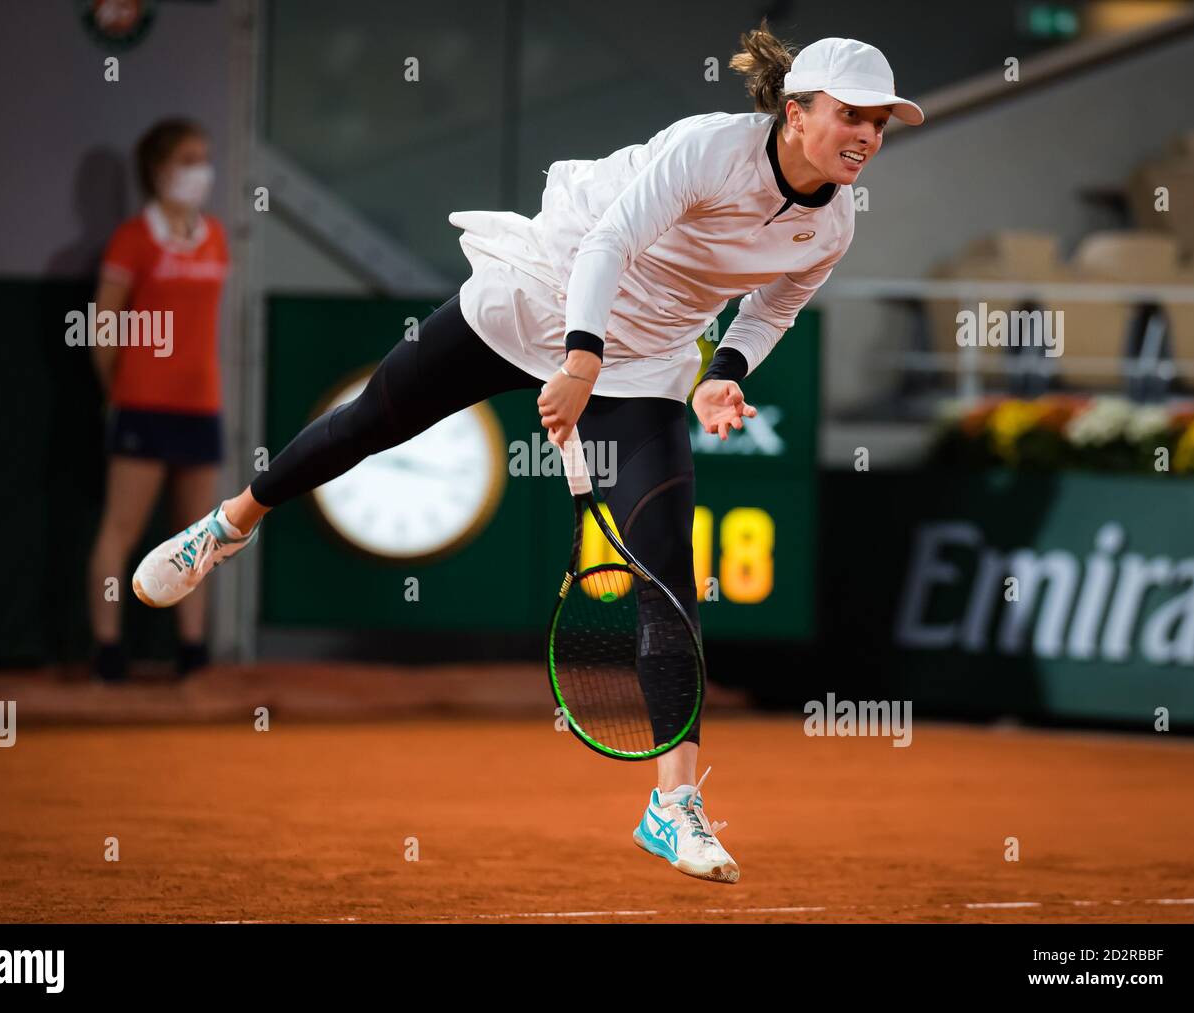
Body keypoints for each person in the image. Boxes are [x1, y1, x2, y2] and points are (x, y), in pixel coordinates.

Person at [129, 25, 922, 882]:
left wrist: (721, 373)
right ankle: (232, 521)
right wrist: (578, 354)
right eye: (852, 114)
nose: (868, 136)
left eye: (881, 122)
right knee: (371, 423)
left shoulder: (833, 223)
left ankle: (673, 803)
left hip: (648, 360)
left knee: (668, 574)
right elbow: (608, 244)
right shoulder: (709, 151)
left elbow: (772, 308)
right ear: (796, 112)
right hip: (543, 289)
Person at [88, 118, 229, 682]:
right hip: (142, 403)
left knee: (200, 535)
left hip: (202, 404)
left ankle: (192, 654)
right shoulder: (133, 237)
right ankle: (107, 651)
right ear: (159, 169)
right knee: (120, 529)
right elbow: (103, 328)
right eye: (189, 159)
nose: (201, 170)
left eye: (204, 157)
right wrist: (117, 392)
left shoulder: (216, 233)